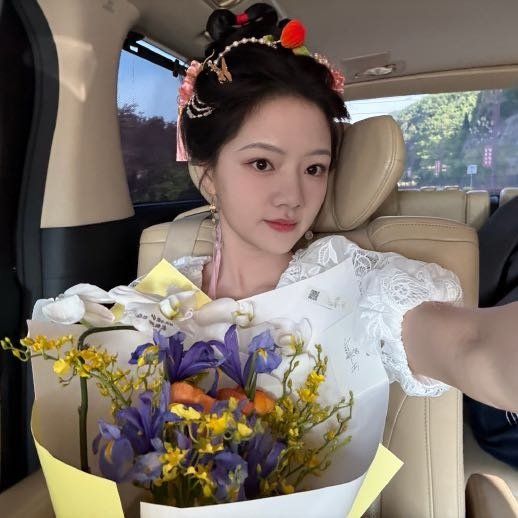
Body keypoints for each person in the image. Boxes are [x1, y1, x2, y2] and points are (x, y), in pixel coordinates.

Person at [172, 3, 518, 412]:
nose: (293, 196)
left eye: (314, 168)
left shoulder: (354, 283)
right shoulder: (164, 292)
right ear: (209, 174)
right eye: (262, 163)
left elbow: (469, 344)